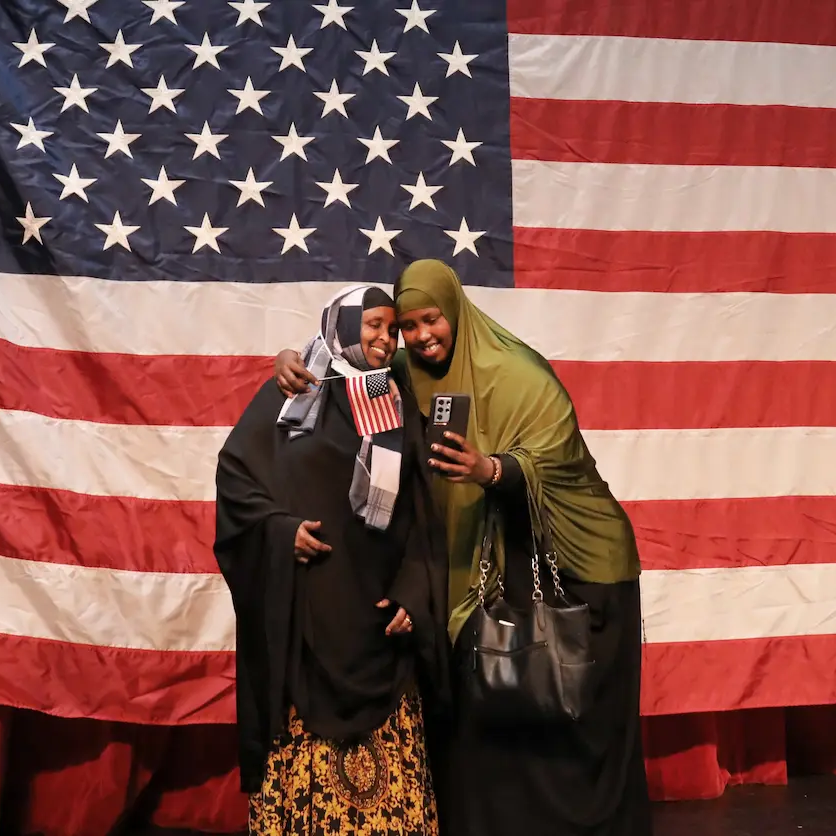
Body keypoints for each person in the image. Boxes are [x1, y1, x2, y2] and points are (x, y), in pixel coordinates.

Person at [273, 260, 653, 836]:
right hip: (478, 565)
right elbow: (341, 366)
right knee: (495, 709)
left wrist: (493, 469)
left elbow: (560, 463)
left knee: (566, 711)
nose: (423, 335)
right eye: (409, 325)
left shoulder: (520, 375)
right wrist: (287, 362)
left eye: (433, 319)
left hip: (579, 564)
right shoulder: (399, 371)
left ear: (455, 311)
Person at [215, 285, 451, 836]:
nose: (384, 339)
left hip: (379, 624)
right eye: (371, 325)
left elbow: (424, 509)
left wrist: (416, 593)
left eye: (392, 330)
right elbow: (235, 478)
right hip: (311, 615)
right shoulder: (296, 390)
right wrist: (280, 532)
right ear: (342, 325)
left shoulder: (394, 399)